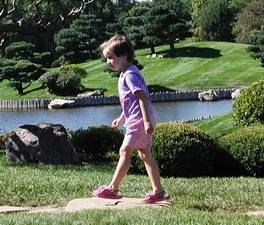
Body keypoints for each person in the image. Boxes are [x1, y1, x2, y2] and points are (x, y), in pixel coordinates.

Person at [93, 34, 169, 203]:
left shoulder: (130, 75)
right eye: (107, 58)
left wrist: (147, 121)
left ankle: (113, 188)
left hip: (140, 120)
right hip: (139, 119)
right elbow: (130, 102)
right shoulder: (125, 73)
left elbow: (142, 98)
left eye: (111, 58)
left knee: (124, 151)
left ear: (124, 55)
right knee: (145, 155)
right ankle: (159, 191)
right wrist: (121, 119)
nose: (108, 62)